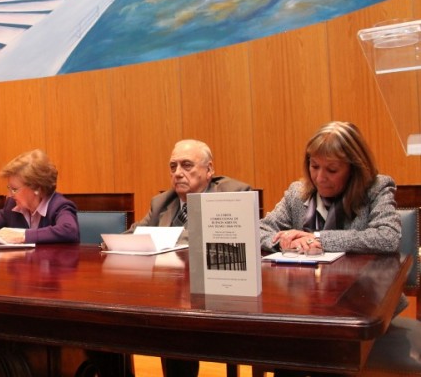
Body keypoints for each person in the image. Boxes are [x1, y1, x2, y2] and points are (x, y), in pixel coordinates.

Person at [260, 121, 402, 377]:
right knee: (283, 348)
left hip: (360, 302)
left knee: (329, 356)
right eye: (314, 166)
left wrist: (318, 238)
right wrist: (282, 240)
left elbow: (387, 237)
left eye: (332, 169)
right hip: (303, 306)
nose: (320, 177)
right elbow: (260, 229)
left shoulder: (376, 189)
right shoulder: (297, 192)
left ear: (354, 168)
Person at [128, 139, 251, 377]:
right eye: (173, 167)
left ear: (209, 170)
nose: (178, 173)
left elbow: (218, 240)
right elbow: (137, 232)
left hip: (220, 294)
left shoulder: (232, 194)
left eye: (186, 165)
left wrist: (165, 237)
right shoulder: (162, 202)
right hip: (172, 296)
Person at [0, 149, 79, 244]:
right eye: (9, 188)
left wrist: (23, 236)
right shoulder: (12, 205)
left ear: (37, 188)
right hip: (23, 269)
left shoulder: (59, 205)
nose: (9, 195)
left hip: (55, 269)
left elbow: (69, 230)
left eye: (14, 189)